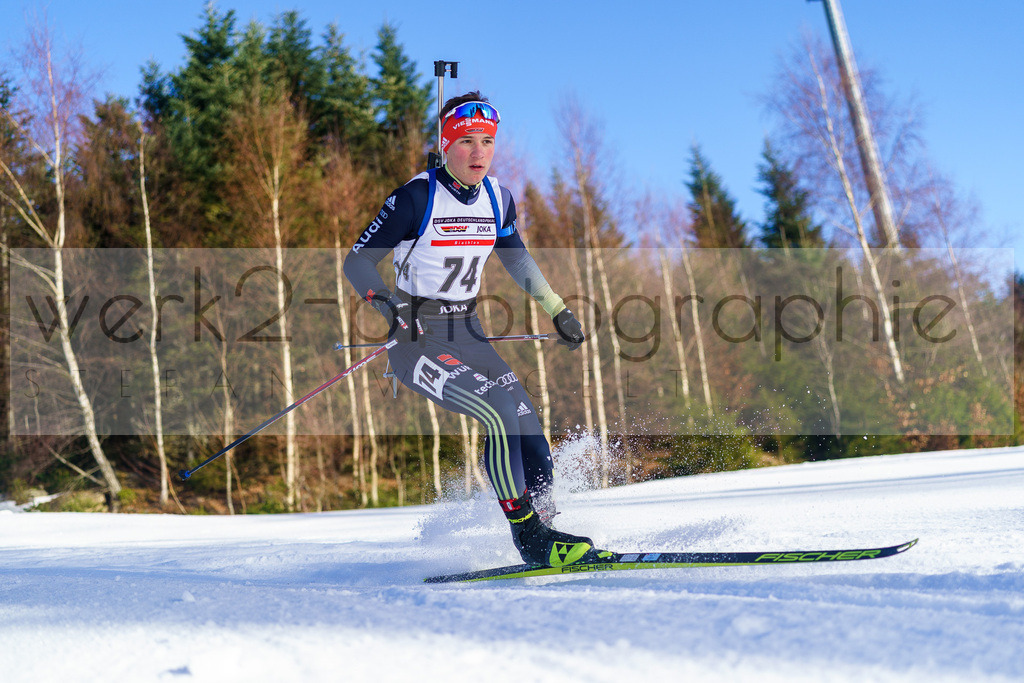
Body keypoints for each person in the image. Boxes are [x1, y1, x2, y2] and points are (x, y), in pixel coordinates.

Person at [343, 91, 599, 567]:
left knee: (528, 432)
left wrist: (557, 308)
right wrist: (388, 305)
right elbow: (357, 261)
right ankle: (531, 540)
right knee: (499, 409)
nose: (479, 152)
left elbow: (517, 258)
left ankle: (545, 523)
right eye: (466, 142)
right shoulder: (416, 197)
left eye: (487, 141)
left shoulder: (499, 199)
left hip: (469, 331)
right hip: (416, 338)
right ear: (445, 145)